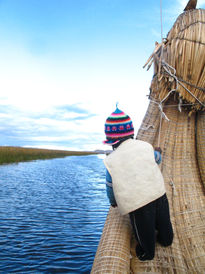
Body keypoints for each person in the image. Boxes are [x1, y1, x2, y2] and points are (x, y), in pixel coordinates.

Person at [103, 106, 173, 261]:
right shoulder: (145, 147)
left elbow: (110, 186)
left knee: (143, 229)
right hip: (159, 194)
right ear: (131, 133)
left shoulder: (111, 161)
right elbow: (157, 159)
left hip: (138, 204)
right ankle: (166, 239)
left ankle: (146, 252)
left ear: (111, 141)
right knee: (163, 220)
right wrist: (159, 152)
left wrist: (113, 202)